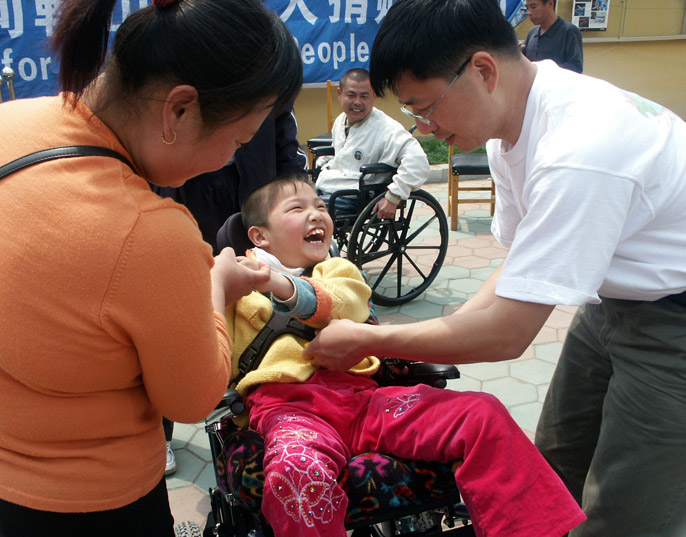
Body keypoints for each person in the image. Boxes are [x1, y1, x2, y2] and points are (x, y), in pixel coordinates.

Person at [302, 1, 686, 536]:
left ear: (483, 70)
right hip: (613, 301)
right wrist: (443, 331)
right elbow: (515, 269)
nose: (425, 127)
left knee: (628, 510)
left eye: (425, 107)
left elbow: (509, 334)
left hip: (675, 321)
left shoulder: (579, 148)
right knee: (552, 466)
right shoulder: (512, 126)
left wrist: (373, 341)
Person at [0, 0, 302, 535]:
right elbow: (190, 399)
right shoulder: (150, 233)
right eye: (237, 140)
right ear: (179, 110)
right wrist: (216, 287)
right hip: (94, 503)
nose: (231, 157)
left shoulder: (12, 121)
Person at [224, 173, 585, 537]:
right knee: (295, 473)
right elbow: (215, 355)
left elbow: (346, 304)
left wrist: (277, 283)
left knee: (482, 413)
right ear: (260, 235)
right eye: (297, 208)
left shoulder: (338, 271)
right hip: (291, 413)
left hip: (364, 403)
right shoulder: (236, 293)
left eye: (320, 205)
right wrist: (218, 285)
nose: (316, 213)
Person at [153, 105, 307, 476]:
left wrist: (299, 202)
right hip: (184, 190)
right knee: (174, 309)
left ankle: (251, 418)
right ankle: (160, 432)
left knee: (254, 307)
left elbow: (287, 147)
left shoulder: (269, 87)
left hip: (250, 191)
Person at [152, 105, 307, 254]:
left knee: (255, 260)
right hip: (184, 183)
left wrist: (299, 200)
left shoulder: (272, 90)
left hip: (255, 183)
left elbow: (288, 150)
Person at [315, 68, 430, 220]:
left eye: (364, 96)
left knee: (304, 212)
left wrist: (393, 196)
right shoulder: (340, 121)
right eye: (351, 95)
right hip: (326, 187)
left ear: (374, 96)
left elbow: (419, 162)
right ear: (340, 94)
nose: (357, 102)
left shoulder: (388, 129)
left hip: (352, 196)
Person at [521, 0, 583, 73]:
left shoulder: (569, 31)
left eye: (533, 7)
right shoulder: (532, 33)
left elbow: (576, 68)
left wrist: (544, 70)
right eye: (527, 8)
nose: (529, 12)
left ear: (550, 4)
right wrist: (519, 55)